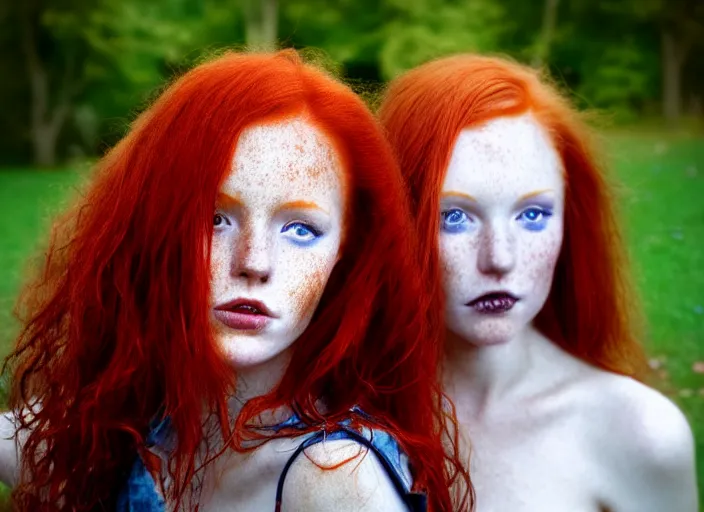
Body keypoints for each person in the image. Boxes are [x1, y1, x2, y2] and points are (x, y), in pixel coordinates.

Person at [0, 50, 471, 511]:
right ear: (156, 225)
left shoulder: (334, 476)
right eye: (214, 219)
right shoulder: (127, 426)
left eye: (300, 230)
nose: (254, 262)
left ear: (345, 253)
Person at [378, 54, 698, 512]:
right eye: (454, 217)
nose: (500, 258)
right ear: (394, 221)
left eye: (532, 215)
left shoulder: (639, 433)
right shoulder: (334, 417)